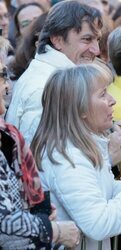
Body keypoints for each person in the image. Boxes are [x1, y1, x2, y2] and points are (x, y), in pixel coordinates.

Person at [31, 63, 121, 250]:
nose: (113, 100)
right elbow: (97, 224)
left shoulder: (87, 143)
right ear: (80, 108)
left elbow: (110, 188)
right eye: (103, 94)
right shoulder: (67, 156)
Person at [0, 36, 80, 250]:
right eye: (1, 76)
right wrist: (54, 229)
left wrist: (38, 212)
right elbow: (3, 222)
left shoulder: (7, 133)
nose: (7, 86)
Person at [6, 1, 102, 145]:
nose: (97, 50)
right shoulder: (43, 89)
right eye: (87, 39)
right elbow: (43, 161)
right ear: (57, 40)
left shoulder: (59, 78)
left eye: (98, 39)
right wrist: (110, 154)